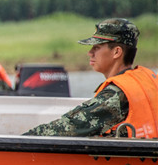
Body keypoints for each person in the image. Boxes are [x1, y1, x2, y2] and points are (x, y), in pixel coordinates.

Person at [23, 18, 157, 138]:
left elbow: (71, 127)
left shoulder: (118, 94)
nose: (90, 53)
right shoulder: (147, 81)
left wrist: (21, 140)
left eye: (97, 47)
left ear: (117, 52)